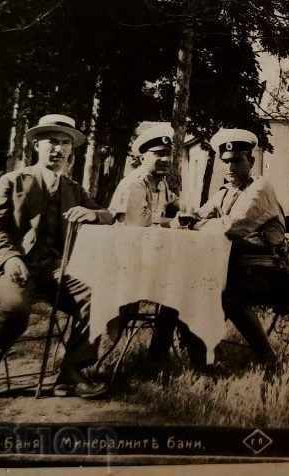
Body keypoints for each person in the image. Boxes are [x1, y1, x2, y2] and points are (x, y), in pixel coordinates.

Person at [0, 114, 114, 402]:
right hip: (11, 267)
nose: (58, 149)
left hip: (53, 270)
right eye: (52, 142)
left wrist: (94, 214)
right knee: (15, 308)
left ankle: (71, 373)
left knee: (100, 299)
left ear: (71, 150)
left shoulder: (73, 189)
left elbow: (108, 215)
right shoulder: (13, 180)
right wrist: (9, 258)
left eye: (65, 143)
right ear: (36, 146)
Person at [180, 128, 289, 368]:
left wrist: (198, 224)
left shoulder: (260, 189)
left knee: (227, 297)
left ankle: (268, 359)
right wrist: (189, 218)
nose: (230, 168)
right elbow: (198, 217)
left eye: (237, 161)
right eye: (226, 162)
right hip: (236, 268)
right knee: (193, 291)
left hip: (269, 271)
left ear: (251, 161)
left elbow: (232, 227)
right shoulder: (224, 192)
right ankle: (202, 362)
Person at [107, 124, 184, 364]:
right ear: (142, 157)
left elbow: (166, 213)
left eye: (167, 154)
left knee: (181, 289)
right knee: (180, 291)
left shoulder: (159, 184)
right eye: (157, 154)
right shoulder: (135, 184)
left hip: (145, 258)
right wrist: (171, 225)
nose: (164, 159)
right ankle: (157, 358)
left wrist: (176, 213)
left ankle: (158, 356)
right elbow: (137, 231)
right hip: (124, 261)